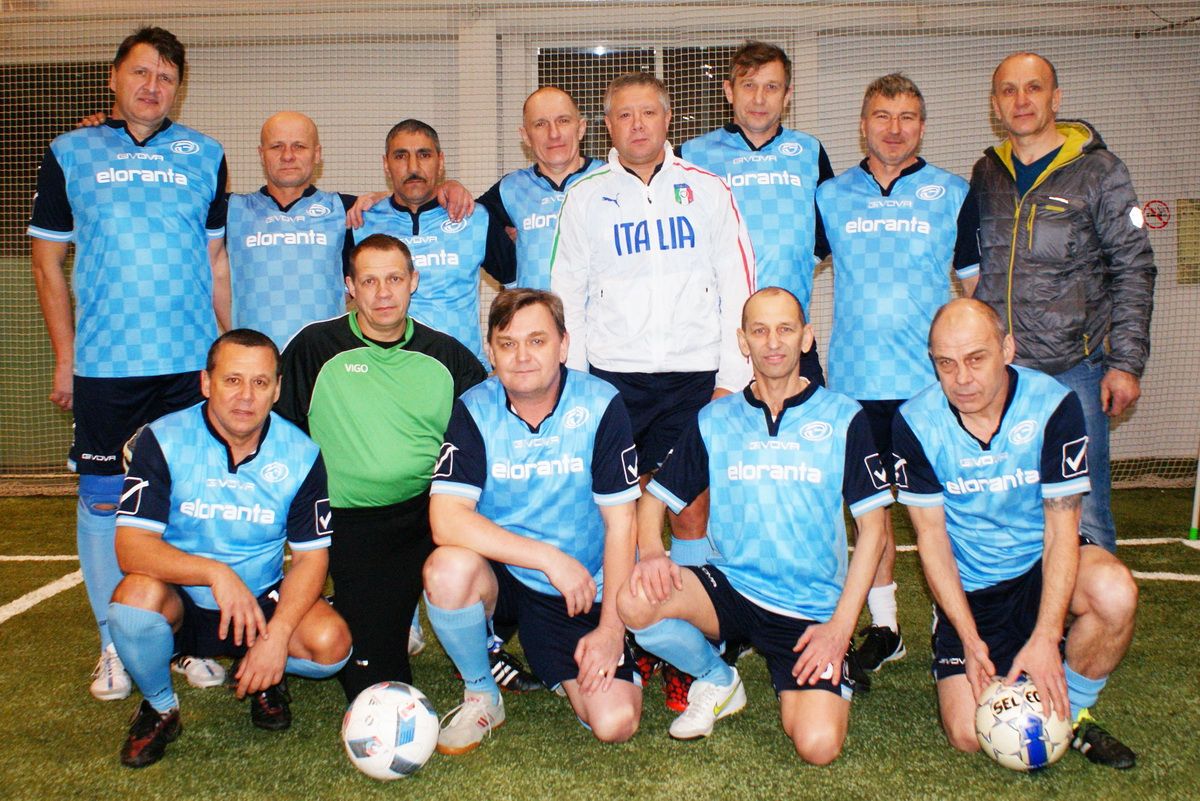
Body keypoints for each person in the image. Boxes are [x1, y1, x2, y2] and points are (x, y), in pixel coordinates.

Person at [27, 26, 230, 700]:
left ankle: (193, 640)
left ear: (179, 89)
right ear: (114, 77)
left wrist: (231, 350)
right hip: (106, 364)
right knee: (103, 498)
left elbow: (215, 261)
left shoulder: (206, 154)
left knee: (190, 498)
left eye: (167, 77)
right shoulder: (71, 151)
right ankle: (112, 643)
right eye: (141, 72)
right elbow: (48, 263)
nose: (153, 86)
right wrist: (66, 357)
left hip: (188, 364)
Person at [550, 71, 755, 709]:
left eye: (648, 113)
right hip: (613, 379)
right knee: (621, 510)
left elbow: (738, 284)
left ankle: (687, 643)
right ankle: (633, 635)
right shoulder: (585, 196)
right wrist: (577, 385)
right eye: (624, 115)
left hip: (694, 375)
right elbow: (567, 293)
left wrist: (731, 378)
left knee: (688, 509)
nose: (637, 124)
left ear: (669, 120)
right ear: (607, 127)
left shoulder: (708, 190)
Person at [616, 287, 890, 764]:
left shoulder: (844, 417)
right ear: (742, 341)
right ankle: (718, 679)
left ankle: (819, 667)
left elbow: (875, 531)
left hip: (809, 609)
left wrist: (840, 628)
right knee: (635, 601)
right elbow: (654, 499)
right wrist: (653, 553)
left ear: (806, 337)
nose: (773, 342)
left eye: (785, 329)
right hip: (733, 587)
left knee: (818, 745)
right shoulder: (716, 418)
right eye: (759, 331)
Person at [893, 298, 1139, 769]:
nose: (961, 378)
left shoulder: (1052, 405)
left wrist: (1047, 633)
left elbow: (1062, 532)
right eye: (946, 363)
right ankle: (988, 648)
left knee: (1114, 591)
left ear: (1007, 349)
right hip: (974, 586)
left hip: (1041, 564)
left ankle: (1073, 711)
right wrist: (968, 638)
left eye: (976, 359)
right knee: (968, 734)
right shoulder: (915, 422)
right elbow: (932, 540)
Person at [108, 329, 352, 768]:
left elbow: (311, 558)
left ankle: (265, 675)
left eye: (260, 382)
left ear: (276, 389)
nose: (246, 396)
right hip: (182, 598)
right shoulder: (163, 440)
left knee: (331, 645)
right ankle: (161, 707)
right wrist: (215, 573)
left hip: (260, 604)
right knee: (133, 602)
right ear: (207, 383)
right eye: (232, 380)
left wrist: (277, 636)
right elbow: (132, 548)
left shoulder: (301, 454)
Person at [423, 288, 642, 754]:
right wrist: (547, 558)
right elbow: (445, 520)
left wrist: (610, 630)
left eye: (537, 341)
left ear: (564, 345)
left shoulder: (601, 404)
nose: (522, 356)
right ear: (490, 351)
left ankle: (579, 655)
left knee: (615, 722)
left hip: (581, 585)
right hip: (507, 574)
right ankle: (482, 691)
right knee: (446, 569)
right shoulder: (474, 407)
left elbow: (623, 526)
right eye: (507, 343)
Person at [276, 234, 492, 702]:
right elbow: (276, 434)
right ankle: (332, 613)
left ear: (413, 281)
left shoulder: (446, 354)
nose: (383, 293)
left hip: (430, 515)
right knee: (379, 684)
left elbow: (490, 431)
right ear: (350, 286)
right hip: (353, 525)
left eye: (394, 278)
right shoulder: (315, 347)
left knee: (509, 567)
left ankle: (489, 640)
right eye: (369, 281)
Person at [816, 74, 979, 675]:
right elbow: (794, 266)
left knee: (943, 514)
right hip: (855, 385)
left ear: (923, 126)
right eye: (882, 116)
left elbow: (977, 290)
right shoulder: (830, 196)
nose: (894, 128)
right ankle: (885, 628)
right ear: (863, 124)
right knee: (871, 515)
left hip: (931, 388)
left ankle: (948, 621)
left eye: (907, 116)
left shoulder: (953, 193)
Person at [969, 52, 1156, 554]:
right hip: (1002, 376)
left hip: (1076, 371)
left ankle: (1091, 606)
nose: (1021, 100)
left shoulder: (1100, 171)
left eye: (1033, 87)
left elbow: (1134, 267)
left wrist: (1126, 364)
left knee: (1085, 515)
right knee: (1008, 513)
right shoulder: (987, 173)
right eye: (1009, 90)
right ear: (995, 105)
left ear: (1056, 98)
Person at [678, 40, 831, 385]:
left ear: (787, 95)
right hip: (715, 340)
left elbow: (827, 232)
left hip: (788, 335)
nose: (759, 99)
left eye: (771, 87)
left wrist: (793, 259)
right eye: (749, 85)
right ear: (729, 91)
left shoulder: (809, 151)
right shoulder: (691, 155)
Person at [354, 119, 515, 367]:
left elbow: (519, 286)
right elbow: (340, 295)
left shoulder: (475, 218)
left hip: (462, 373)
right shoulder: (360, 222)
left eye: (424, 155)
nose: (413, 167)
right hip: (385, 373)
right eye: (400, 156)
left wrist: (505, 347)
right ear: (386, 164)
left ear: (440, 162)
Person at [476, 86, 604, 290]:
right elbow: (468, 218)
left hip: (600, 310)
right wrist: (451, 189)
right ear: (526, 136)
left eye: (563, 121)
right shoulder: (510, 189)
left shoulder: (610, 179)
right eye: (540, 124)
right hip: (535, 310)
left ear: (581, 128)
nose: (553, 133)